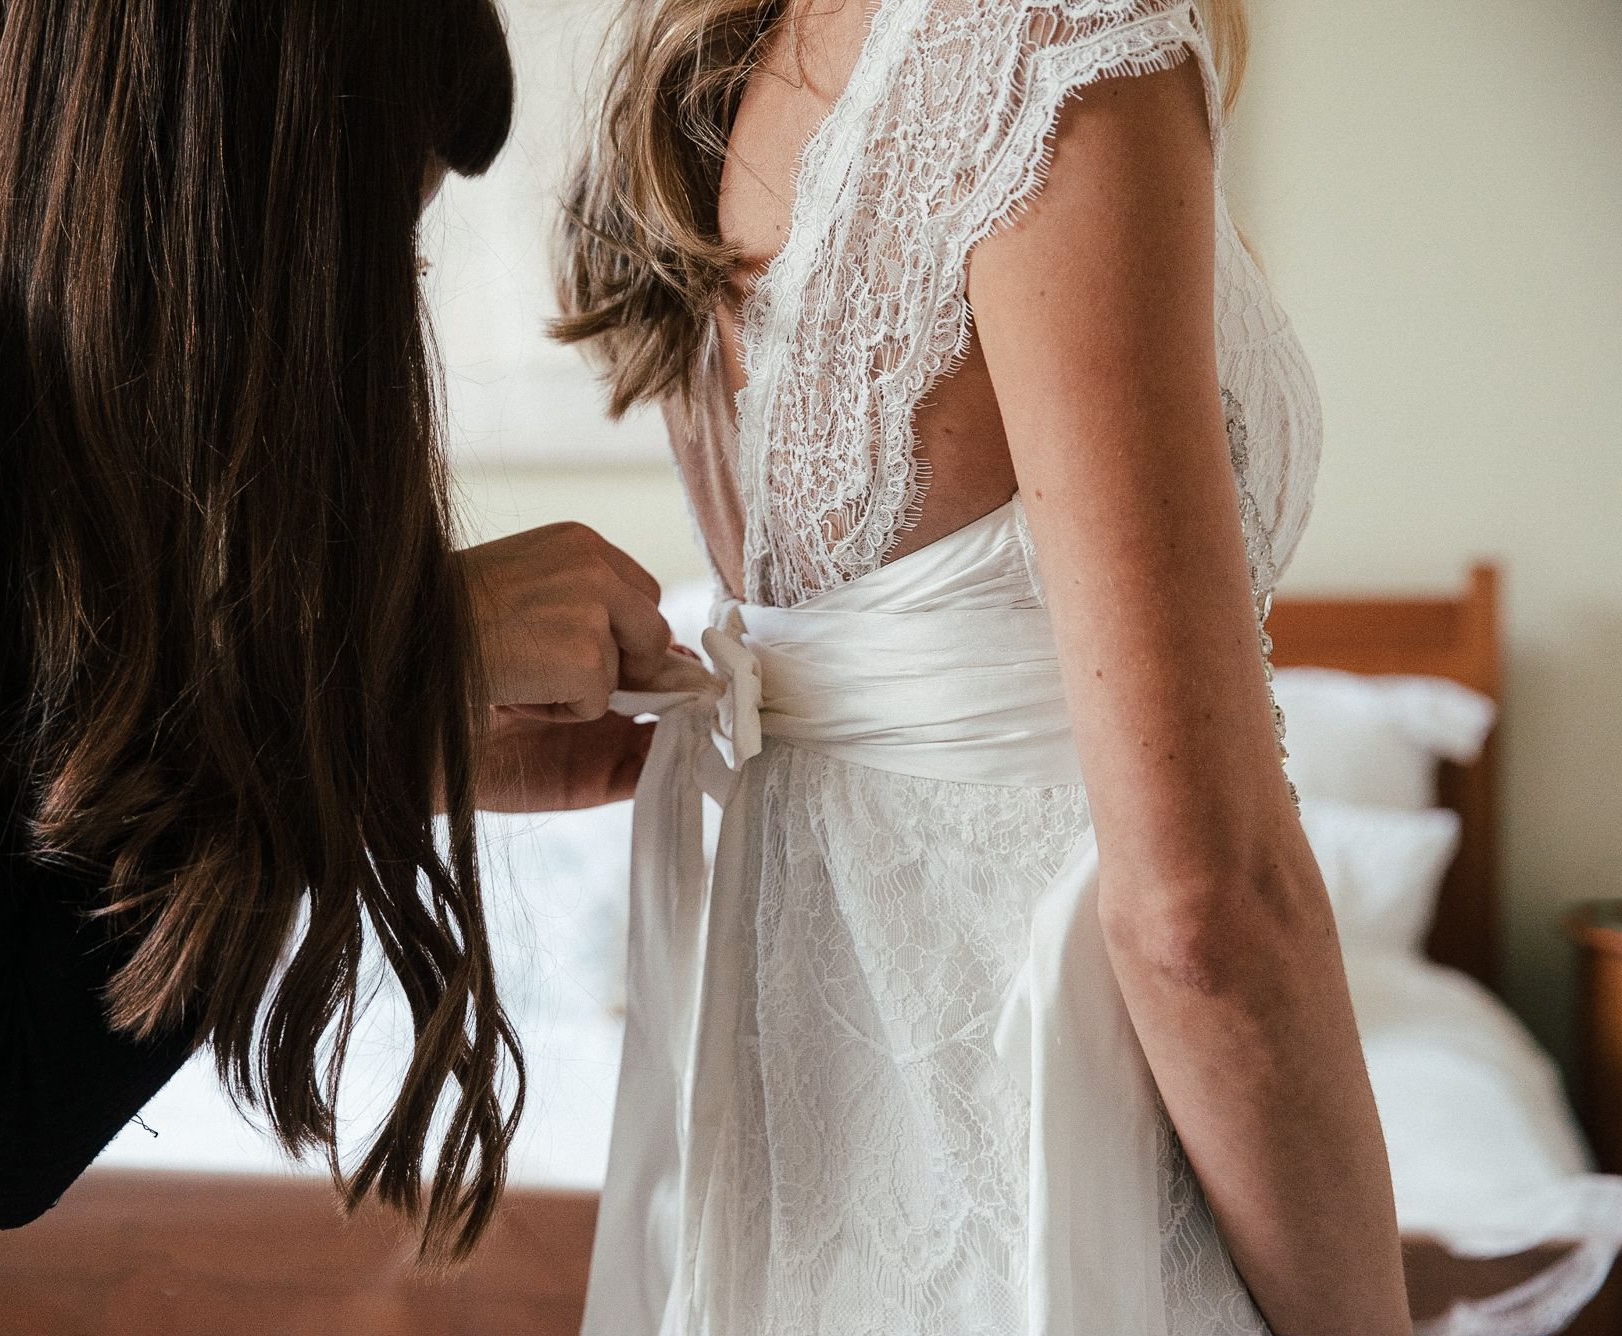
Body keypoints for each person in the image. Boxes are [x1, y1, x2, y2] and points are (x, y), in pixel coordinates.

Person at [0, 0, 667, 1259]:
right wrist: (377, 681)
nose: (378, 321)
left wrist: (377, 743)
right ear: (221, 198)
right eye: (369, 246)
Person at [557, 0, 1413, 1330]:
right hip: (1062, 1163)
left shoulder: (747, 55)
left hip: (819, 1143)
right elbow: (1202, 907)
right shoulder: (1053, 44)